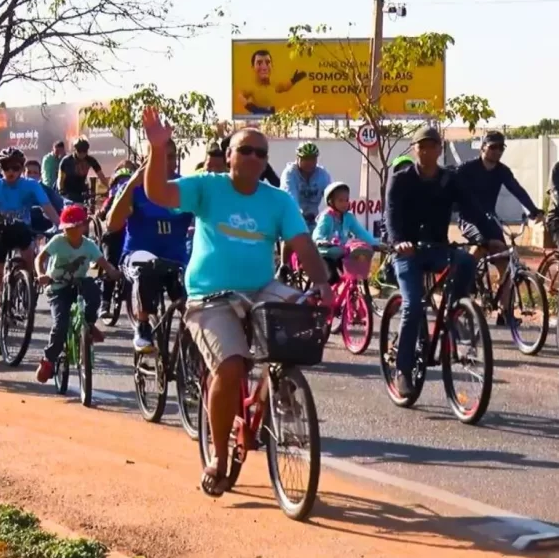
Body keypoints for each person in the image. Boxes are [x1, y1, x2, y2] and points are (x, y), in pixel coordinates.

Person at [139, 107, 331, 497]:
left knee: (300, 314)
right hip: (210, 297)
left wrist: (322, 284)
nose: (255, 158)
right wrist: (158, 149)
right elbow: (157, 192)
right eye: (246, 151)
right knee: (230, 366)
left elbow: (302, 245)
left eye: (262, 153)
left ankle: (281, 391)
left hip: (261, 288)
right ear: (229, 155)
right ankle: (220, 457)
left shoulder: (278, 201)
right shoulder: (207, 187)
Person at [384, 126, 502, 397]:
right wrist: (399, 241)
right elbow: (391, 214)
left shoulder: (450, 179)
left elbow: (473, 209)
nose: (427, 151)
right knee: (413, 306)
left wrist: (491, 236)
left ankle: (455, 311)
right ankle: (402, 369)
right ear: (415, 149)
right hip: (407, 252)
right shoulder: (401, 180)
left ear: (440, 149)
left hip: (438, 248)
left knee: (466, 261)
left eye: (432, 146)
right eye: (421, 146)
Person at [107, 141, 194, 352]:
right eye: (161, 157)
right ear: (147, 160)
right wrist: (133, 182)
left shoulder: (186, 187)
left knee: (193, 298)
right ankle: (143, 326)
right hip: (138, 256)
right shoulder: (134, 188)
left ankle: (193, 351)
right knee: (146, 267)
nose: (168, 163)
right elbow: (112, 224)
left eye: (172, 157)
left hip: (176, 259)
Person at [0, 147, 61, 344]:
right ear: (1, 169)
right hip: (0, 232)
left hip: (22, 230)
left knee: (29, 258)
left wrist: (60, 225)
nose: (10, 171)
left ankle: (25, 287)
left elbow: (48, 208)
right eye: (5, 167)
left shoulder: (31, 185)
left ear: (22, 168)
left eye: (15, 167)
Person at [33, 204, 121, 382]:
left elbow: (103, 263)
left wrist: (113, 272)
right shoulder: (58, 241)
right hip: (57, 287)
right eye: (67, 229)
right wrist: (42, 274)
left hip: (78, 284)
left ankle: (88, 324)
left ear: (84, 227)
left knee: (94, 291)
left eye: (75, 228)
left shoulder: (89, 246)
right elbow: (40, 258)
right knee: (60, 324)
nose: (71, 233)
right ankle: (49, 359)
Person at [453, 131, 543, 296]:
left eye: (501, 147)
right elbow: (451, 187)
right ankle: (466, 278)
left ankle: (505, 311)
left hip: (489, 219)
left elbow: (517, 190)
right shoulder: (467, 169)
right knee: (480, 245)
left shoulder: (502, 171)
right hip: (469, 219)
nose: (497, 151)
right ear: (483, 148)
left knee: (505, 262)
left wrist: (533, 210)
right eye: (493, 147)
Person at [312, 182, 380, 283]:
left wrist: (376, 244)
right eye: (340, 200)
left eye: (346, 200)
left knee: (353, 277)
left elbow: (361, 232)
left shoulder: (349, 217)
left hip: (341, 253)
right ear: (331, 201)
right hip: (325, 254)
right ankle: (314, 296)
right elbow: (318, 231)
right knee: (332, 277)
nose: (345, 203)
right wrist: (319, 240)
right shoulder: (326, 216)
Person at [96, 165, 136, 317]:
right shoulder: (112, 198)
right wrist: (101, 213)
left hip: (131, 235)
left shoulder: (137, 196)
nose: (123, 184)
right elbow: (102, 214)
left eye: (127, 180)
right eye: (120, 181)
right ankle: (104, 302)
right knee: (110, 264)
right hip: (113, 235)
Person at [236, 49, 306, 115]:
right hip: (258, 115)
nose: (264, 67)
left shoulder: (273, 84)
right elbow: (240, 95)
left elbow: (284, 87)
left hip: (272, 114)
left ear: (271, 65)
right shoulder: (251, 86)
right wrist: (251, 107)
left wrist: (293, 80)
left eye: (267, 62)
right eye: (259, 63)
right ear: (253, 67)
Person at [280, 141, 332, 228]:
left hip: (313, 221)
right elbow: (290, 196)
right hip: (292, 219)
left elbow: (332, 195)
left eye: (313, 159)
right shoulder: (289, 173)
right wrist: (298, 214)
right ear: (297, 158)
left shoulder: (322, 174)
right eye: (306, 159)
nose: (310, 162)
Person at [57, 138, 109, 203]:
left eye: (84, 151)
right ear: (74, 150)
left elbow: (101, 176)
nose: (82, 154)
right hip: (68, 192)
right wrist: (61, 191)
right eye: (79, 151)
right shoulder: (66, 161)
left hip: (81, 190)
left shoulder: (90, 160)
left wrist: (109, 187)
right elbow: (61, 179)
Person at [25, 159, 65, 236]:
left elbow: (60, 208)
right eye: (29, 172)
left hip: (44, 231)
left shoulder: (48, 192)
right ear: (23, 174)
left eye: (35, 173)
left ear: (40, 176)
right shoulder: (18, 191)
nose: (32, 175)